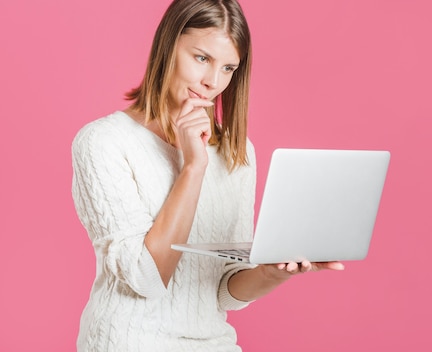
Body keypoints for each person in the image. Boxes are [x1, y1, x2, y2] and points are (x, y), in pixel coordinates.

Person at [71, 0, 344, 350]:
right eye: (202, 58)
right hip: (128, 341)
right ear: (168, 45)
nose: (212, 82)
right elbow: (146, 278)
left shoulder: (237, 151)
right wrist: (193, 166)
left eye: (229, 68)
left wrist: (269, 272)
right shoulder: (104, 141)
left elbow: (223, 288)